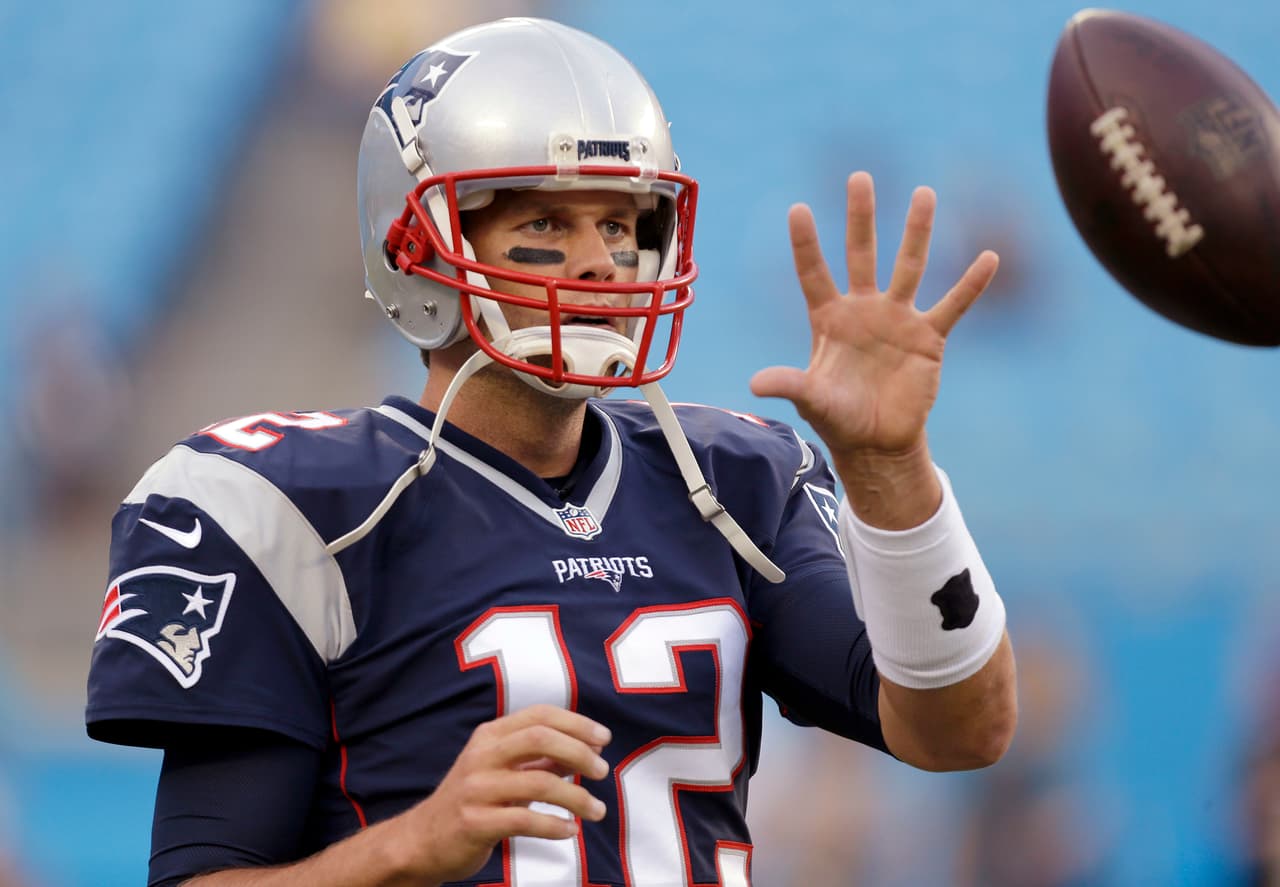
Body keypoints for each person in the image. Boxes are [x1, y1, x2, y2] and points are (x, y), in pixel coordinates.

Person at [85, 16, 1017, 887]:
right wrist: (413, 843)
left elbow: (963, 729)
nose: (601, 263)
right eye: (544, 225)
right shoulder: (297, 508)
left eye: (619, 224)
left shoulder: (730, 480)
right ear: (418, 245)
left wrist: (892, 467)